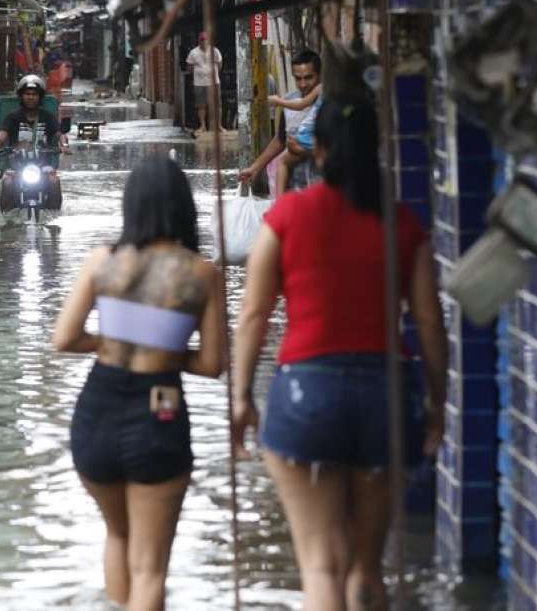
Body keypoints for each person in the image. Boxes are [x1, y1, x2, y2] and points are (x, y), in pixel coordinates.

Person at [231, 98, 447, 610]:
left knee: (321, 568)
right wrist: (437, 399)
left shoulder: (286, 217)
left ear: (318, 151)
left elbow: (254, 317)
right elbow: (430, 321)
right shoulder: (402, 223)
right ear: (376, 147)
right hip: (387, 396)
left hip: (307, 396)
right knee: (367, 570)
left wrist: (241, 395)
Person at [52, 158, 225, 610]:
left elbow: (64, 338)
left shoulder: (102, 262)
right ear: (184, 207)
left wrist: (113, 340)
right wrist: (162, 349)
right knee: (150, 568)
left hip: (98, 409)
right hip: (158, 409)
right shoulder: (201, 273)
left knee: (117, 535)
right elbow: (211, 364)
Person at [239, 49, 322, 195]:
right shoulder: (288, 101)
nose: (303, 84)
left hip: (322, 186)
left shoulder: (330, 104)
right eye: (298, 79)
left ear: (319, 75)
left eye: (308, 78)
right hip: (293, 187)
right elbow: (280, 140)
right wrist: (255, 168)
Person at [0, 74, 68, 212]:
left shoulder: (47, 117)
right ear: (21, 96)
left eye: (34, 94)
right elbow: (3, 133)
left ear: (40, 97)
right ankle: (7, 220)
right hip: (17, 166)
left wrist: (64, 145)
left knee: (54, 181)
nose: (31, 97)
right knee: (7, 182)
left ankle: (54, 217)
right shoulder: (13, 117)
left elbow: (59, 134)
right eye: (27, 94)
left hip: (43, 166)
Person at [185, 31, 224, 133]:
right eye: (202, 40)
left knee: (217, 104)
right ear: (199, 41)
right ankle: (203, 126)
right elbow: (189, 67)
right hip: (199, 83)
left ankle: (218, 125)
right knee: (201, 105)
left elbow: (220, 65)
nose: (203, 42)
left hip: (214, 82)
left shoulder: (214, 51)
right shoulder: (193, 53)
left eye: (205, 40)